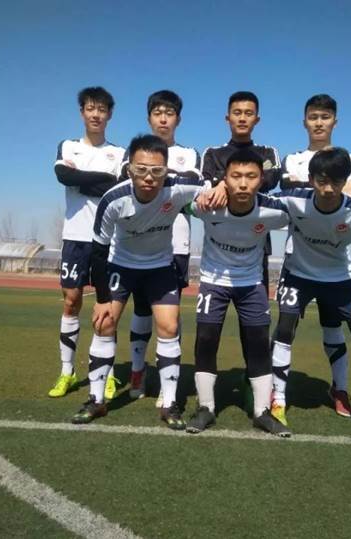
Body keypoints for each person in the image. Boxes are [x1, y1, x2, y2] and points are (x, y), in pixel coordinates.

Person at [70, 134, 224, 429]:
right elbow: (98, 253)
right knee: (104, 323)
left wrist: (217, 189)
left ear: (167, 170)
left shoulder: (178, 188)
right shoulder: (113, 200)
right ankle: (96, 400)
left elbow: (211, 187)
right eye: (141, 169)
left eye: (157, 170)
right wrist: (102, 299)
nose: (149, 177)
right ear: (129, 169)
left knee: (169, 327)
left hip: (159, 267)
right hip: (121, 265)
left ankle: (169, 404)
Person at [272, 147, 351, 439]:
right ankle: (277, 400)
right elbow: (255, 200)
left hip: (339, 279)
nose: (328, 189)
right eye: (321, 181)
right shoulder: (293, 200)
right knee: (284, 327)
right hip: (297, 275)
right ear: (311, 179)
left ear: (345, 182)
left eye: (336, 182)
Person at [184, 149, 291, 437]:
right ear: (225, 180)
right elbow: (182, 205)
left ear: (261, 180)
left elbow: (303, 215)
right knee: (206, 339)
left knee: (258, 343)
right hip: (213, 280)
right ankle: (205, 408)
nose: (243, 184)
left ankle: (262, 412)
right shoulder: (206, 206)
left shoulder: (275, 211)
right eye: (236, 176)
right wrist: (205, 193)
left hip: (251, 283)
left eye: (251, 177)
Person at [279, 94, 351, 417]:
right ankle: (276, 393)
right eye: (313, 117)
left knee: (333, 329)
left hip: (336, 266)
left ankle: (339, 389)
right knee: (285, 328)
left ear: (334, 122)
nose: (319, 123)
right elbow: (288, 200)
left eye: (325, 117)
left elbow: (350, 195)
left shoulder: (347, 158)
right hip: (297, 263)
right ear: (304, 122)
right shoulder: (292, 160)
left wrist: (309, 189)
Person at [124, 91, 202, 402]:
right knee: (141, 310)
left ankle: (167, 378)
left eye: (169, 113)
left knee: (169, 316)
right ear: (149, 119)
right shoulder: (134, 153)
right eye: (158, 113)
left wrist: (158, 177)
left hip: (175, 246)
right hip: (138, 245)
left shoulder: (189, 154)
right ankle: (138, 371)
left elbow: (192, 186)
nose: (163, 119)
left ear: (178, 119)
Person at [48, 87, 125, 399]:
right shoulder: (67, 146)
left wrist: (83, 178)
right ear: (82, 112)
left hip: (107, 241)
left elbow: (117, 188)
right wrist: (101, 179)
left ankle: (106, 373)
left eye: (102, 109)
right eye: (91, 108)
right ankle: (67, 372)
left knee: (107, 308)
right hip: (74, 239)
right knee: (71, 302)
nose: (96, 114)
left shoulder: (119, 154)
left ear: (110, 114)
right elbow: (64, 177)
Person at [201, 91, 281, 295]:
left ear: (257, 119)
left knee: (256, 312)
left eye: (248, 113)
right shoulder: (212, 153)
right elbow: (206, 186)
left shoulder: (268, 153)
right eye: (237, 113)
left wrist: (222, 183)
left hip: (256, 243)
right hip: (218, 246)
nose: (243, 118)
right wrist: (218, 185)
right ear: (227, 118)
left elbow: (270, 179)